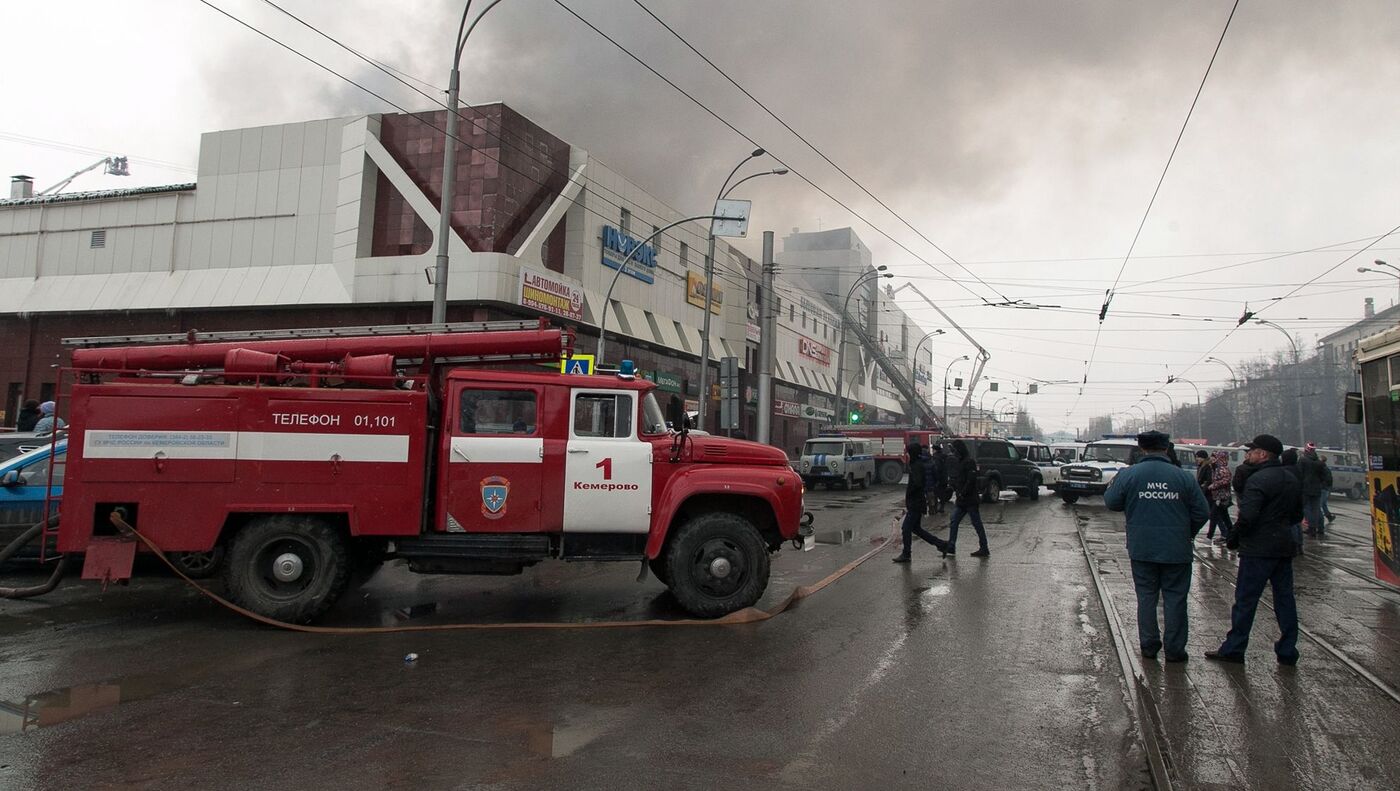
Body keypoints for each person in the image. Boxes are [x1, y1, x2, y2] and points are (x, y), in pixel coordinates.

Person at [1105, 431, 1210, 663]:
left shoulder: (1129, 474)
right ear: (1166, 448)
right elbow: (1203, 511)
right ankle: (1174, 650)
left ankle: (1149, 645)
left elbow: (1111, 502)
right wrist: (1187, 532)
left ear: (1142, 449)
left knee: (1146, 597)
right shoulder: (1183, 477)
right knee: (1175, 598)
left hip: (1142, 547)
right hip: (1177, 549)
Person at [1206, 434, 1303, 666]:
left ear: (1263, 454)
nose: (1247, 455)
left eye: (1251, 451)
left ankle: (1234, 648)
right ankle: (1288, 650)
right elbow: (1298, 515)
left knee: (1246, 600)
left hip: (1257, 549)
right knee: (1285, 599)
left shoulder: (1258, 480)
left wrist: (1234, 536)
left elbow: (1247, 515)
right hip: (1283, 547)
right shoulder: (1290, 478)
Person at [892, 442, 952, 563]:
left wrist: (911, 492)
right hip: (917, 501)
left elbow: (918, 483)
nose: (908, 455)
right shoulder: (918, 464)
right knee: (916, 529)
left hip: (916, 502)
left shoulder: (916, 465)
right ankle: (941, 544)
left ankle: (906, 554)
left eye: (909, 453)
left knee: (906, 528)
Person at [946, 439, 990, 558]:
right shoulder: (960, 461)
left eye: (954, 450)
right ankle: (951, 546)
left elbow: (971, 480)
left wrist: (962, 493)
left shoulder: (969, 462)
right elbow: (961, 479)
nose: (953, 453)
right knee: (954, 521)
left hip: (969, 500)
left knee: (976, 524)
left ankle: (984, 548)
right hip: (962, 500)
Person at [1297, 444, 1327, 537]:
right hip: (1317, 489)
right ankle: (1319, 527)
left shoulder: (1303, 460)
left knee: (1306, 508)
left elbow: (1299, 473)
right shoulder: (1319, 463)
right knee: (1316, 508)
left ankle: (1311, 528)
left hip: (1305, 488)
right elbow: (1324, 476)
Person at [1206, 450, 1234, 545]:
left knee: (1214, 516)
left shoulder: (1222, 469)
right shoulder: (1217, 468)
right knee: (1225, 517)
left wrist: (1213, 485)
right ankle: (1231, 534)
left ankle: (1209, 536)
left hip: (1221, 497)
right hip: (1219, 496)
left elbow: (1226, 480)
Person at [927, 444, 950, 515]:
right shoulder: (945, 456)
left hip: (938, 479)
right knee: (942, 493)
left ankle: (936, 508)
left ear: (935, 450)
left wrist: (936, 479)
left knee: (936, 494)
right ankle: (942, 507)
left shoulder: (935, 458)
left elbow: (936, 469)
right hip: (944, 478)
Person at [1319, 455, 1336, 524]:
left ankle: (1320, 521)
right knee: (1323, 504)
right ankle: (1329, 516)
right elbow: (1330, 479)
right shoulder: (1327, 469)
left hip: (1322, 488)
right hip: (1325, 488)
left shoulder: (1321, 469)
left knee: (1319, 505)